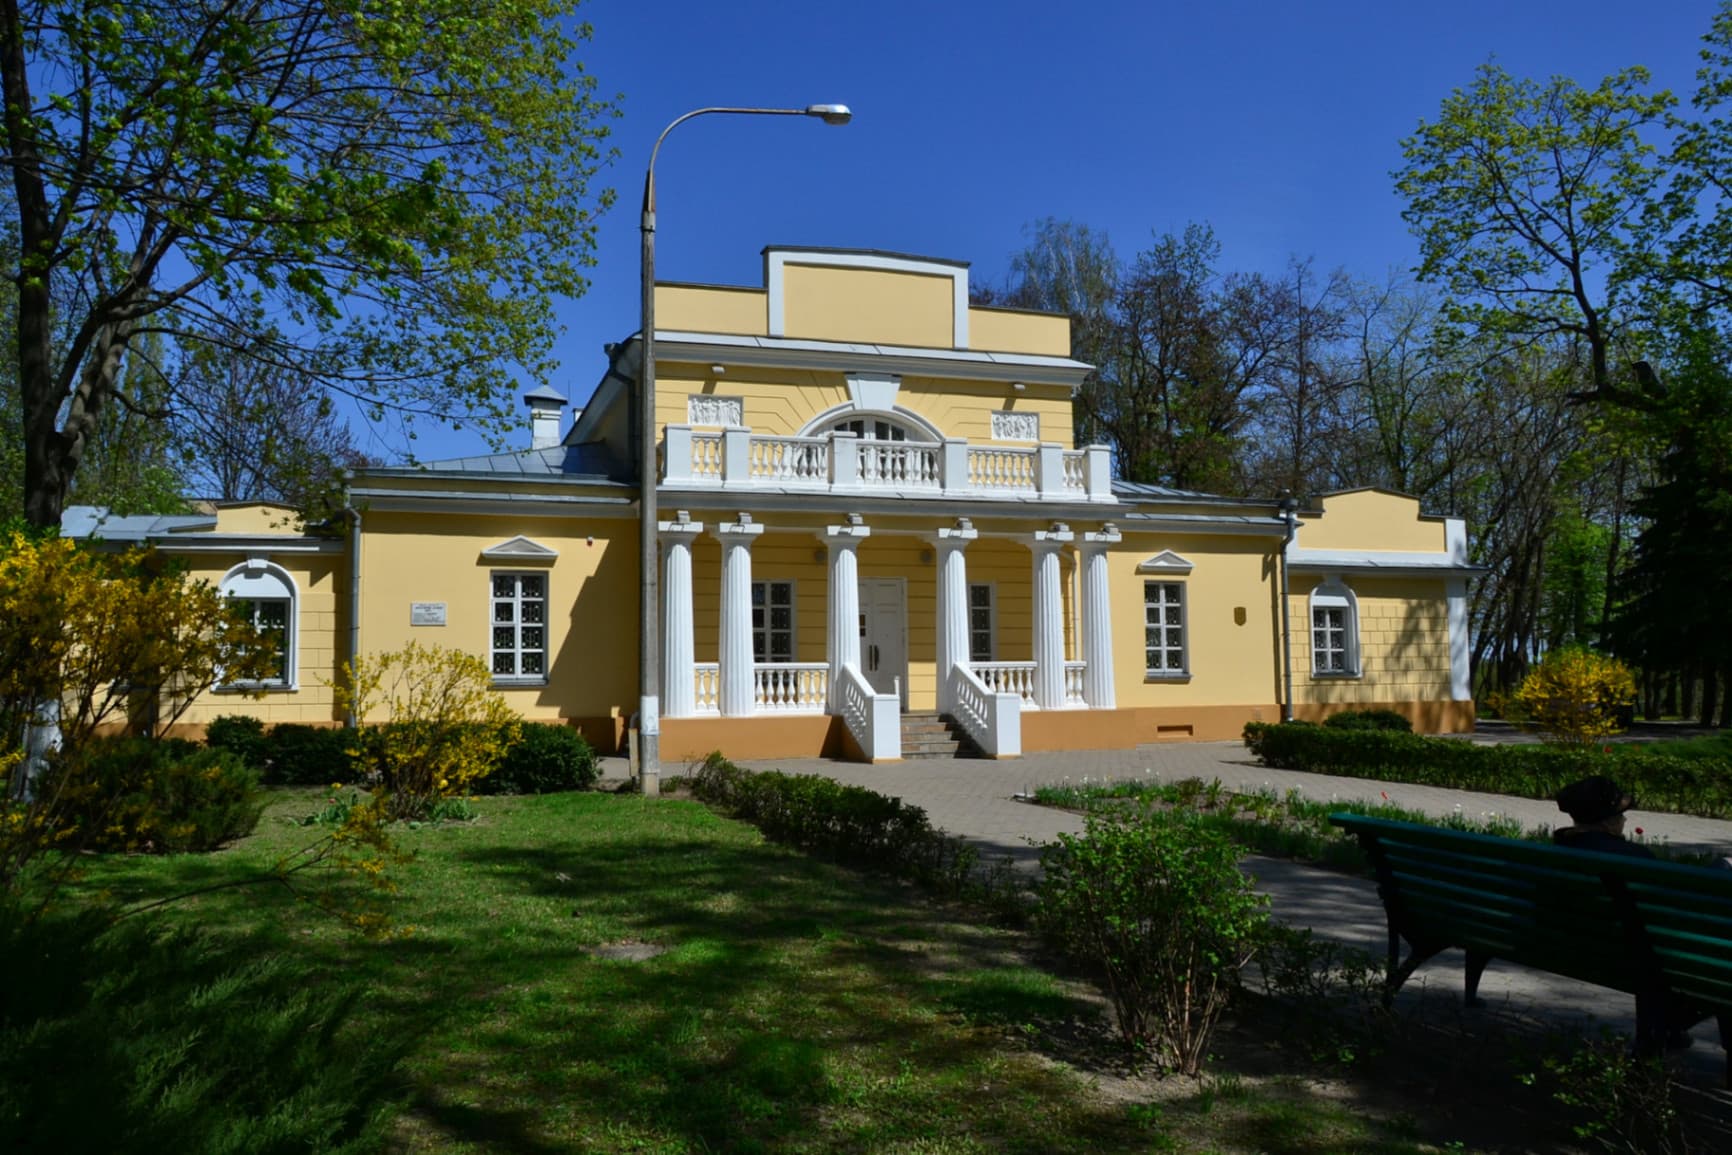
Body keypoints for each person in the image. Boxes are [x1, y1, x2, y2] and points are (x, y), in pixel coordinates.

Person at [1552, 775, 1653, 858]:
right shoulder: (1635, 854)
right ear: (1607, 822)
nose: (1624, 819)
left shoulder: (1559, 847)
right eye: (1620, 814)